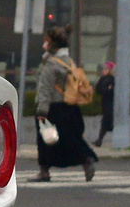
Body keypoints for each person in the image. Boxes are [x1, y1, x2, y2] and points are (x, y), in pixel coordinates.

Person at [34, 26, 97, 181]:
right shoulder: (68, 61)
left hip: (53, 108)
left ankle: (44, 171)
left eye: (46, 42)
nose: (44, 45)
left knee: (46, 141)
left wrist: (41, 111)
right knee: (71, 140)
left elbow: (45, 89)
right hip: (70, 106)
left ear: (53, 45)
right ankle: (85, 160)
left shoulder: (50, 64)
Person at [93, 62, 116, 147]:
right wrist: (106, 89)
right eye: (103, 69)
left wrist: (106, 89)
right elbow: (98, 89)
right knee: (107, 123)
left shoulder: (112, 79)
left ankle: (99, 140)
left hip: (111, 103)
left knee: (106, 122)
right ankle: (99, 140)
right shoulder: (103, 78)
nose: (104, 71)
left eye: (106, 69)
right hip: (105, 102)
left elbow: (109, 91)